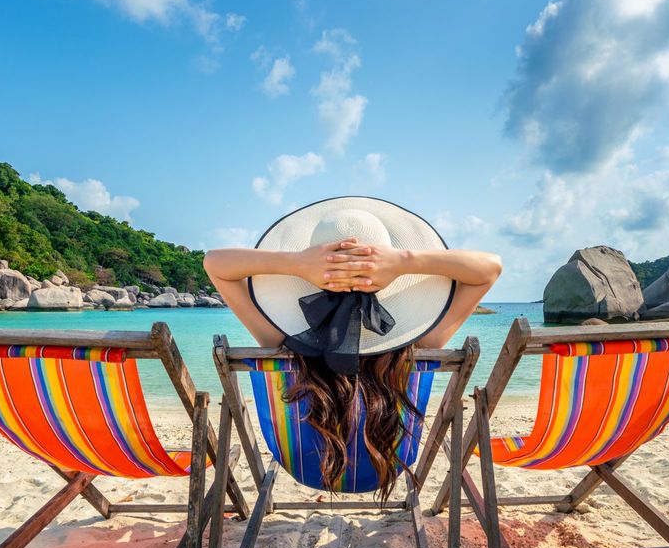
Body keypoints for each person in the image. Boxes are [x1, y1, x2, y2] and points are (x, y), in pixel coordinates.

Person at [204, 197, 501, 499]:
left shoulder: (277, 340)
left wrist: (297, 264)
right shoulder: (422, 342)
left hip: (306, 468)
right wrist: (403, 261)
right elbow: (490, 268)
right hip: (386, 465)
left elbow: (214, 263)